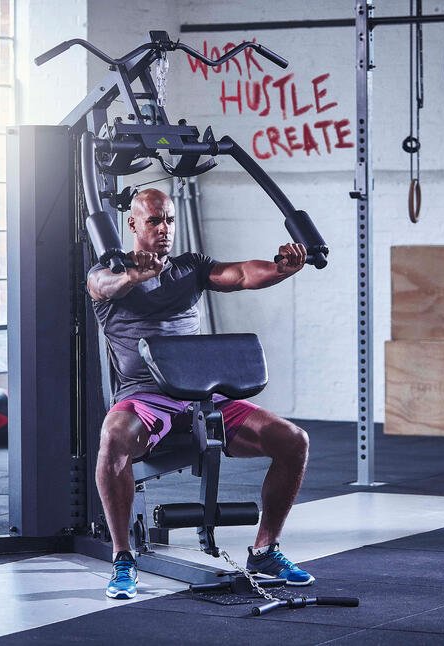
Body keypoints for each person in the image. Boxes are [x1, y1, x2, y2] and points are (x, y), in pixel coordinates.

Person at [86, 188, 312, 600]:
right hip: (144, 398)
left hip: (200, 394)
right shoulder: (108, 269)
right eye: (154, 220)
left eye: (169, 220)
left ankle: (264, 551)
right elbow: (103, 286)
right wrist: (134, 276)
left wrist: (282, 268)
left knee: (293, 440)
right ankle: (122, 558)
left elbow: (242, 274)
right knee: (113, 436)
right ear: (133, 224)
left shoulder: (190, 268)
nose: (164, 229)